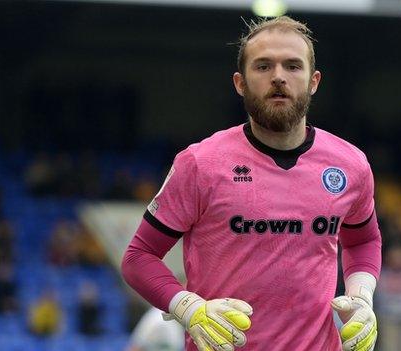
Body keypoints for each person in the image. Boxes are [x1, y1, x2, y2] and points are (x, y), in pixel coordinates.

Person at [121, 16, 382, 351]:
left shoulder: (350, 165)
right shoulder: (200, 164)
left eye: (292, 66)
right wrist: (189, 308)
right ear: (240, 83)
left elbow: (363, 240)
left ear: (314, 81)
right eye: (263, 67)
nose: (278, 77)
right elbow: (139, 256)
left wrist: (361, 296)